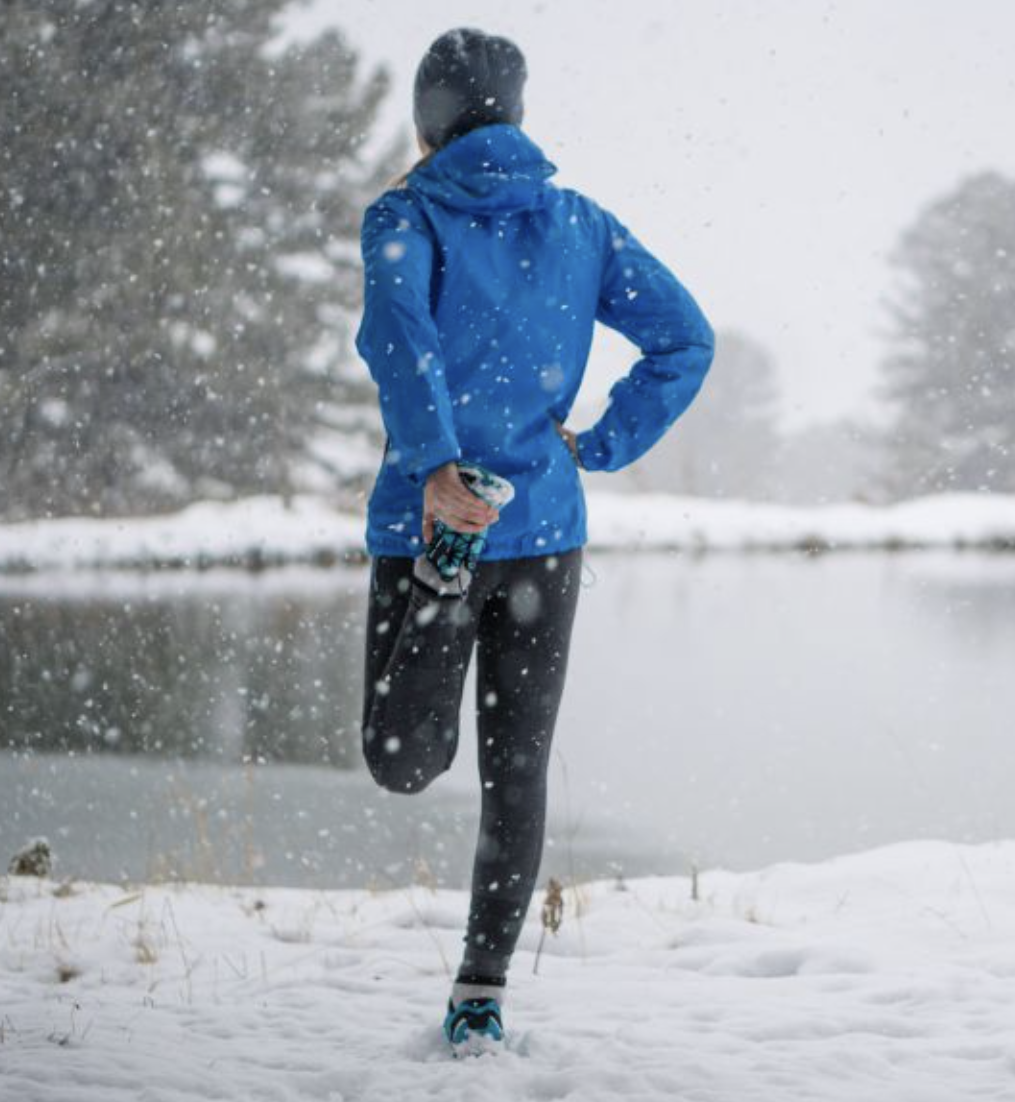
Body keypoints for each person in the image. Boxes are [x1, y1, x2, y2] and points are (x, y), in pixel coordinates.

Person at [354, 28, 714, 1055]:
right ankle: (480, 987)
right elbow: (685, 338)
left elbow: (399, 340)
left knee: (400, 760)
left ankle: (437, 582)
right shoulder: (579, 223)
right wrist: (598, 444)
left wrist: (434, 467)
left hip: (430, 518)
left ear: (428, 116)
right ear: (511, 109)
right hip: (542, 526)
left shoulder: (404, 214)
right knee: (518, 774)